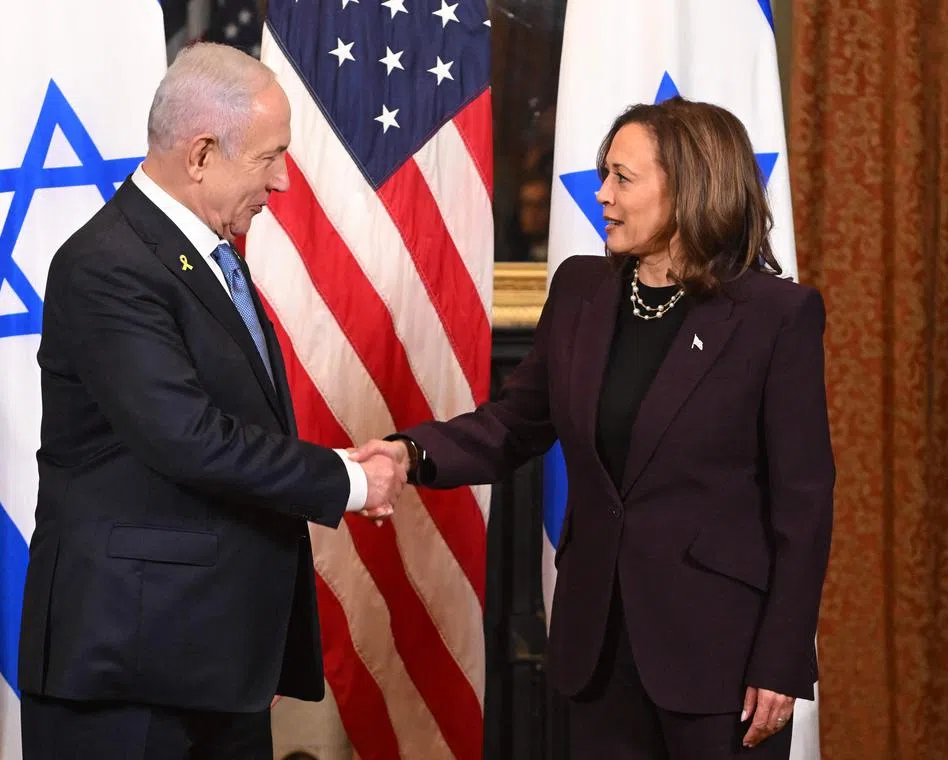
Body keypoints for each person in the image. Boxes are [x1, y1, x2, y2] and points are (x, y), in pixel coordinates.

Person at [354, 97, 835, 759]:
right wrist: (410, 454)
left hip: (718, 656)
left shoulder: (775, 315)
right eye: (604, 175)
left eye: (622, 178)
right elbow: (514, 423)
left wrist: (781, 661)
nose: (601, 195)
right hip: (598, 644)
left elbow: (802, 507)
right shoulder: (583, 289)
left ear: (689, 185)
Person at [17, 43, 404, 759]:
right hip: (129, 673)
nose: (284, 181)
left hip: (209, 660)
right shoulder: (110, 263)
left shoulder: (201, 253)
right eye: (270, 157)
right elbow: (187, 437)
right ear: (201, 154)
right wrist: (347, 479)